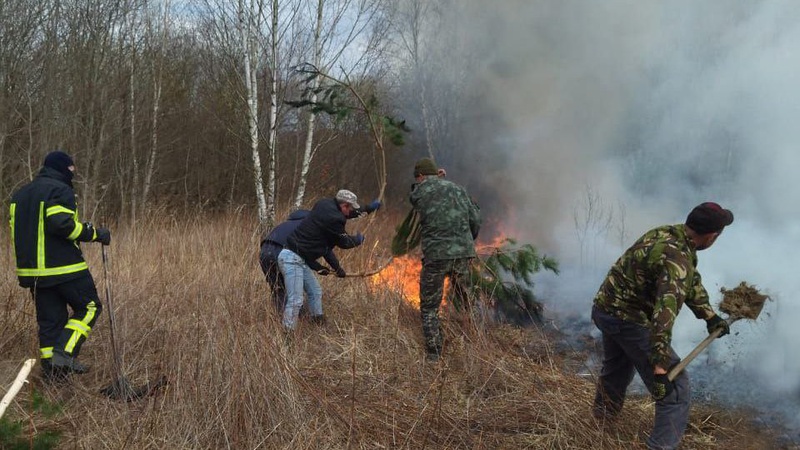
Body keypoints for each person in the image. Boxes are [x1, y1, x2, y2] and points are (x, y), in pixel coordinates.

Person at [591, 202, 734, 450]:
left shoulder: (667, 233)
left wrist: (709, 316)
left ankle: (599, 427)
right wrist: (660, 370)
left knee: (616, 371)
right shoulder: (678, 259)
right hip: (628, 320)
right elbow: (662, 318)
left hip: (605, 310)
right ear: (712, 236)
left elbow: (690, 281)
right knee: (675, 390)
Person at [9, 151, 111, 380]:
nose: (73, 173)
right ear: (63, 168)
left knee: (50, 322)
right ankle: (64, 354)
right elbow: (63, 224)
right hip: (64, 268)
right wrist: (94, 233)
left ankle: (54, 377)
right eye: (71, 169)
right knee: (90, 307)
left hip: (33, 272)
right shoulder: (59, 189)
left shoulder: (20, 195)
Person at [409, 157, 481, 361]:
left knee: (430, 307)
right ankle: (477, 343)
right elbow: (475, 219)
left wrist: (430, 181)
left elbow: (415, 196)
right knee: (468, 300)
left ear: (420, 176)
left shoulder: (420, 192)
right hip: (463, 253)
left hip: (437, 256)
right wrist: (467, 242)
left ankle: (434, 355)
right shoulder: (458, 189)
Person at [278, 190, 379, 330]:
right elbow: (344, 243)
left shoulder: (325, 204)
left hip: (299, 258)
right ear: (344, 206)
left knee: (315, 291)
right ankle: (287, 335)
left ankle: (317, 323)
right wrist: (358, 240)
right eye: (350, 208)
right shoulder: (335, 219)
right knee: (296, 301)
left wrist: (368, 209)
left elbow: (326, 249)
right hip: (292, 258)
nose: (350, 212)